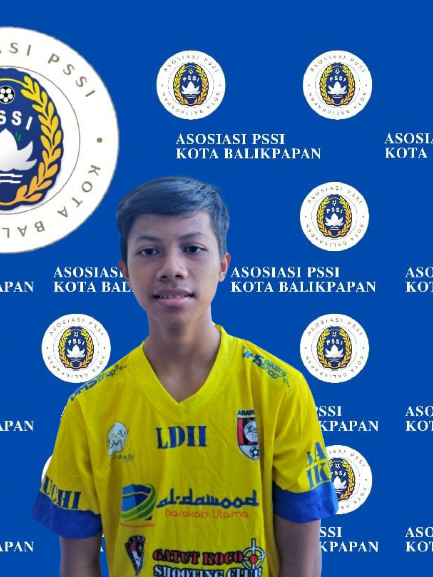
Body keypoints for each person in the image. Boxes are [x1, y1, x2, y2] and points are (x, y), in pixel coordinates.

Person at [32, 176, 338, 577]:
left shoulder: (279, 389)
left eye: (192, 249)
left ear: (223, 265)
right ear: (125, 271)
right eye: (149, 251)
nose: (171, 269)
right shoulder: (89, 408)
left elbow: (302, 561)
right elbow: (78, 564)